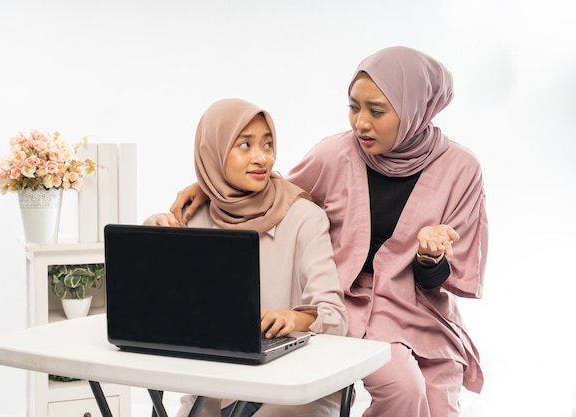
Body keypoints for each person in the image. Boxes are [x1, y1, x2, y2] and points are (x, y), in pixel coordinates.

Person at [157, 46, 488, 417]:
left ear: (416, 108)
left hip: (422, 309)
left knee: (441, 405)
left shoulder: (462, 169)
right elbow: (272, 190)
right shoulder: (335, 153)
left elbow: (443, 279)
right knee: (403, 388)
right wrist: (207, 185)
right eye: (353, 107)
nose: (360, 122)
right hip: (346, 303)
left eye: (376, 110)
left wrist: (430, 258)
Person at [144, 98, 349, 417]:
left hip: (291, 387)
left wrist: (293, 318)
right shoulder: (194, 218)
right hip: (215, 385)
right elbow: (159, 303)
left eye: (267, 145)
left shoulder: (304, 217)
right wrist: (155, 235)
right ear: (213, 152)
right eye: (245, 145)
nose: (261, 158)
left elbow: (334, 315)